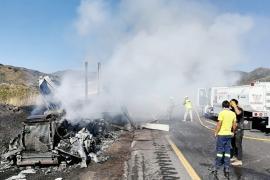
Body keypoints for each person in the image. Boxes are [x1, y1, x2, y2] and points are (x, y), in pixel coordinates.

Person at [214, 100, 237, 178]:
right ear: (229, 106)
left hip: (222, 135)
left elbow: (219, 124)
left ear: (223, 106)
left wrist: (216, 132)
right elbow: (234, 125)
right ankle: (227, 167)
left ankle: (216, 167)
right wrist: (233, 132)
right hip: (229, 135)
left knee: (220, 151)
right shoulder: (233, 113)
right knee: (227, 151)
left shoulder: (222, 113)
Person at [230, 99, 244, 166]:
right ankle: (235, 156)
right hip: (233, 130)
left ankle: (239, 160)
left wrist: (235, 105)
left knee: (238, 145)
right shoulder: (232, 110)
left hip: (239, 130)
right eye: (230, 103)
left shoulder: (240, 109)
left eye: (232, 103)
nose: (231, 104)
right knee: (233, 144)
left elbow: (238, 113)